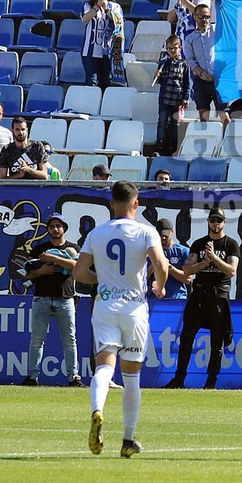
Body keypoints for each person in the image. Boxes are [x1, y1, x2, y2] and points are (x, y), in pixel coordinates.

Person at [74, 181, 166, 457]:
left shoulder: (97, 233)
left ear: (111, 204)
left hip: (105, 306)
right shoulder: (146, 231)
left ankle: (97, 410)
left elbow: (79, 272)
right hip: (134, 309)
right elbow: (161, 265)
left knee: (104, 366)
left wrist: (102, 279)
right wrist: (159, 286)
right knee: (132, 376)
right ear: (136, 203)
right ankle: (128, 440)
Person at [166, 210, 240, 389]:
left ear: (224, 222)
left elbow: (231, 270)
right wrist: (205, 263)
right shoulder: (199, 244)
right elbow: (187, 270)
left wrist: (214, 258)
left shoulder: (230, 244)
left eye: (219, 220)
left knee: (217, 341)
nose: (216, 224)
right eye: (213, 220)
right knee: (186, 337)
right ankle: (179, 379)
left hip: (218, 296)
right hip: (199, 295)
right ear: (208, 221)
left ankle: (211, 382)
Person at [20, 212, 82, 387]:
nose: (55, 229)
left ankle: (73, 378)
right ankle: (32, 377)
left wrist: (53, 258)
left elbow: (77, 267)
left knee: (70, 340)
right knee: (37, 340)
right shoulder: (39, 249)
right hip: (42, 298)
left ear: (64, 228)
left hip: (66, 299)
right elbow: (25, 273)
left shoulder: (73, 247)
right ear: (47, 229)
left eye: (58, 226)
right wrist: (40, 271)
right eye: (52, 226)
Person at [80, 0, 124, 91]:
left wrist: (106, 9)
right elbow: (85, 19)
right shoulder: (87, 5)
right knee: (91, 83)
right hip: (90, 51)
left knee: (105, 83)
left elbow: (118, 24)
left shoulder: (115, 7)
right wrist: (97, 7)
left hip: (108, 52)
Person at [156, 221, 190, 300]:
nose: (163, 238)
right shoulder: (151, 251)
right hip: (154, 300)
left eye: (165, 235)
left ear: (172, 232)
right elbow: (143, 277)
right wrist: (156, 263)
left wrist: (169, 267)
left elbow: (187, 279)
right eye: (160, 235)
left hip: (177, 299)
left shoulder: (183, 251)